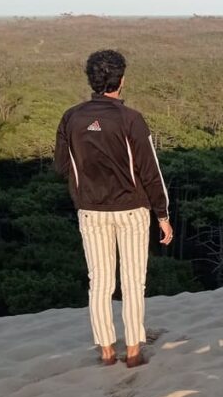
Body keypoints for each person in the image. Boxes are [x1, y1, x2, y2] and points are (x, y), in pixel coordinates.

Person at [54, 50, 173, 368]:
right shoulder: (130, 119)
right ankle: (133, 351)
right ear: (121, 80)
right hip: (132, 210)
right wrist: (162, 215)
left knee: (100, 282)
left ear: (91, 80)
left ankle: (106, 352)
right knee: (133, 281)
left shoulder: (71, 117)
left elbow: (62, 166)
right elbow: (150, 172)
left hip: (91, 211)